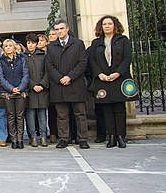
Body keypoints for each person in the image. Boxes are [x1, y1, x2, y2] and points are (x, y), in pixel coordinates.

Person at [87, 15, 133, 148]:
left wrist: (118, 73)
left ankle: (120, 136)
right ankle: (111, 136)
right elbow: (92, 61)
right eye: (104, 24)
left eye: (109, 24)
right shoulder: (96, 43)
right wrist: (99, 74)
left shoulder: (123, 40)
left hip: (119, 78)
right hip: (103, 80)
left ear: (115, 25)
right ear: (101, 27)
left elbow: (127, 58)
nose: (107, 26)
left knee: (119, 108)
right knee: (106, 108)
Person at [45, 19, 90, 149]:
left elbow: (82, 63)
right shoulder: (51, 46)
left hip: (75, 84)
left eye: (62, 28)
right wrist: (60, 78)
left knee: (80, 114)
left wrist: (70, 76)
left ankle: (82, 139)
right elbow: (49, 65)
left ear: (67, 28)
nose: (59, 31)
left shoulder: (78, 44)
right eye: (57, 29)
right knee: (62, 115)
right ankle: (64, 138)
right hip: (59, 86)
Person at [0, 39, 30, 149]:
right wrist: (11, 88)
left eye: (11, 45)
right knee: (11, 116)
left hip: (21, 91)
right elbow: (0, 78)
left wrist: (20, 88)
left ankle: (20, 139)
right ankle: (14, 139)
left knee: (20, 116)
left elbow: (25, 75)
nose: (9, 47)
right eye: (6, 46)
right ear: (4, 48)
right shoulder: (0, 60)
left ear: (14, 47)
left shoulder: (22, 59)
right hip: (7, 93)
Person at [25, 34, 49, 147]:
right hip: (30, 90)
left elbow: (47, 72)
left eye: (33, 43)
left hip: (42, 90)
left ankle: (44, 136)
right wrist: (33, 85)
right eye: (29, 43)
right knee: (30, 114)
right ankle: (33, 137)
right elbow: (23, 74)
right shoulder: (22, 57)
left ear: (36, 43)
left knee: (42, 114)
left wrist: (42, 84)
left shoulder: (43, 55)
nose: (31, 45)